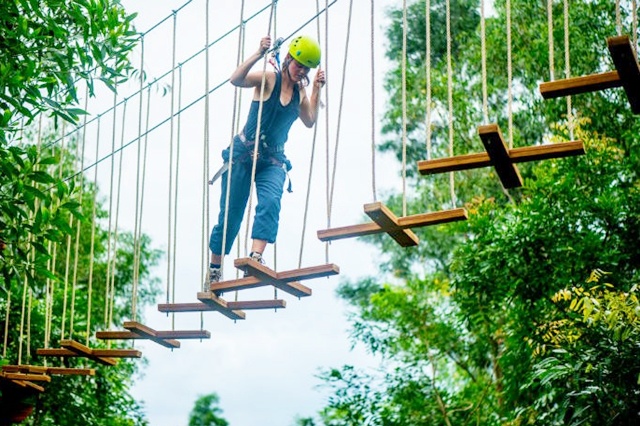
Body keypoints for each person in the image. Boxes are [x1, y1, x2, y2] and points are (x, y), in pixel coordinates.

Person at [206, 35, 326, 289]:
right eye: (298, 64)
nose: (301, 71)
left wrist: (316, 89)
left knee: (271, 201)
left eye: (306, 68)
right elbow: (235, 79)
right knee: (230, 217)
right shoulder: (270, 79)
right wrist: (258, 54)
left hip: (272, 159)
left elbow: (310, 119)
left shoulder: (299, 91)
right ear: (289, 59)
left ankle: (256, 256)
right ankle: (215, 268)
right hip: (243, 155)